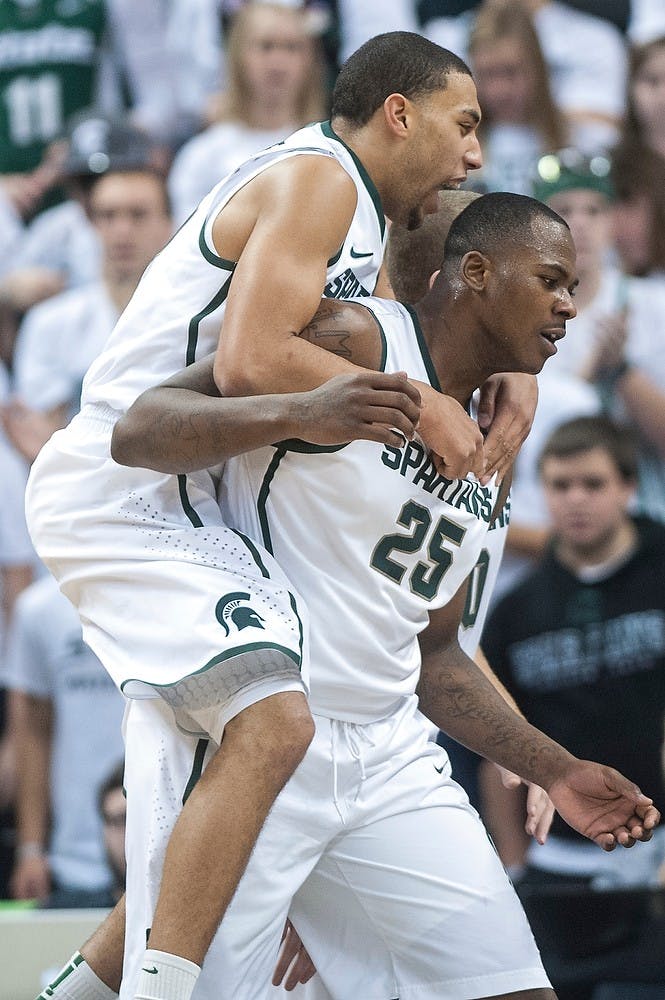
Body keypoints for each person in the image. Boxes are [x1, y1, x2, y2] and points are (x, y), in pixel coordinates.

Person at [28, 32, 549, 1000]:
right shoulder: (320, 178)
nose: (472, 152)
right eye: (462, 124)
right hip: (127, 482)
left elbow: (446, 280)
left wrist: (507, 365)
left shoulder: (360, 215)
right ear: (399, 112)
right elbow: (248, 361)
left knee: (223, 800)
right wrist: (422, 402)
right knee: (273, 723)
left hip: (201, 494)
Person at [109, 192, 660, 1000]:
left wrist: (553, 770)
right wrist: (307, 408)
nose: (570, 304)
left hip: (389, 752)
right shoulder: (362, 341)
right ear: (475, 273)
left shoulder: (496, 432)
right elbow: (139, 429)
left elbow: (433, 652)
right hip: (262, 739)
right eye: (550, 279)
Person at [5, 164, 173, 463]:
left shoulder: (190, 318)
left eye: (138, 214)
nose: (122, 230)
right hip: (79, 493)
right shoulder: (50, 322)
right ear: (91, 225)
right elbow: (40, 436)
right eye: (107, 216)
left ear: (168, 223)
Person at [4, 575, 126, 909]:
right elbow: (33, 733)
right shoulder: (39, 608)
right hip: (72, 860)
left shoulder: (169, 597)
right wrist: (31, 847)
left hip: (165, 850)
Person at [168, 2, 327, 225]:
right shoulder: (201, 156)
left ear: (310, 59)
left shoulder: (329, 149)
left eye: (292, 47)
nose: (278, 62)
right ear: (238, 56)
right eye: (265, 46)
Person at [465, 0, 567, 196]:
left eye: (510, 72)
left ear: (537, 68)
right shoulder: (458, 147)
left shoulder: (574, 139)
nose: (500, 90)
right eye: (487, 74)